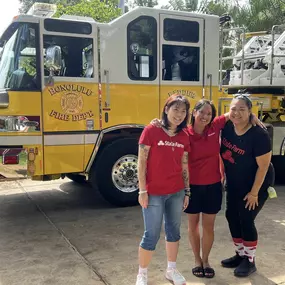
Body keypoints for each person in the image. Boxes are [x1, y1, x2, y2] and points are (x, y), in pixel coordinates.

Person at [151, 98, 263, 279]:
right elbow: (164, 130)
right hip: (191, 187)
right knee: (193, 225)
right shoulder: (184, 133)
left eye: (209, 113)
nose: (204, 116)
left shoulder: (215, 127)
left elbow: (234, 113)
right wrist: (156, 123)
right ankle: (197, 260)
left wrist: (252, 116)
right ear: (193, 112)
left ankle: (206, 260)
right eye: (201, 112)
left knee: (208, 227)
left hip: (213, 186)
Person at [136, 94, 191, 285]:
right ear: (166, 109)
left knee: (173, 231)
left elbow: (184, 165)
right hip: (153, 193)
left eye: (183, 111)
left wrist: (187, 191)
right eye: (175, 109)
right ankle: (142, 274)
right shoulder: (151, 130)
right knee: (151, 234)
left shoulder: (184, 136)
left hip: (176, 192)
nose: (179, 114)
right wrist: (143, 190)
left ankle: (171, 270)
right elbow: (141, 162)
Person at [220, 94, 272, 277]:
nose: (237, 113)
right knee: (231, 215)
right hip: (234, 181)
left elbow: (264, 166)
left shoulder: (259, 135)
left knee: (245, 218)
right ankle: (240, 254)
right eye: (234, 108)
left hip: (256, 183)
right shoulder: (226, 127)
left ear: (250, 112)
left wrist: (254, 193)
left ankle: (249, 261)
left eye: (242, 109)